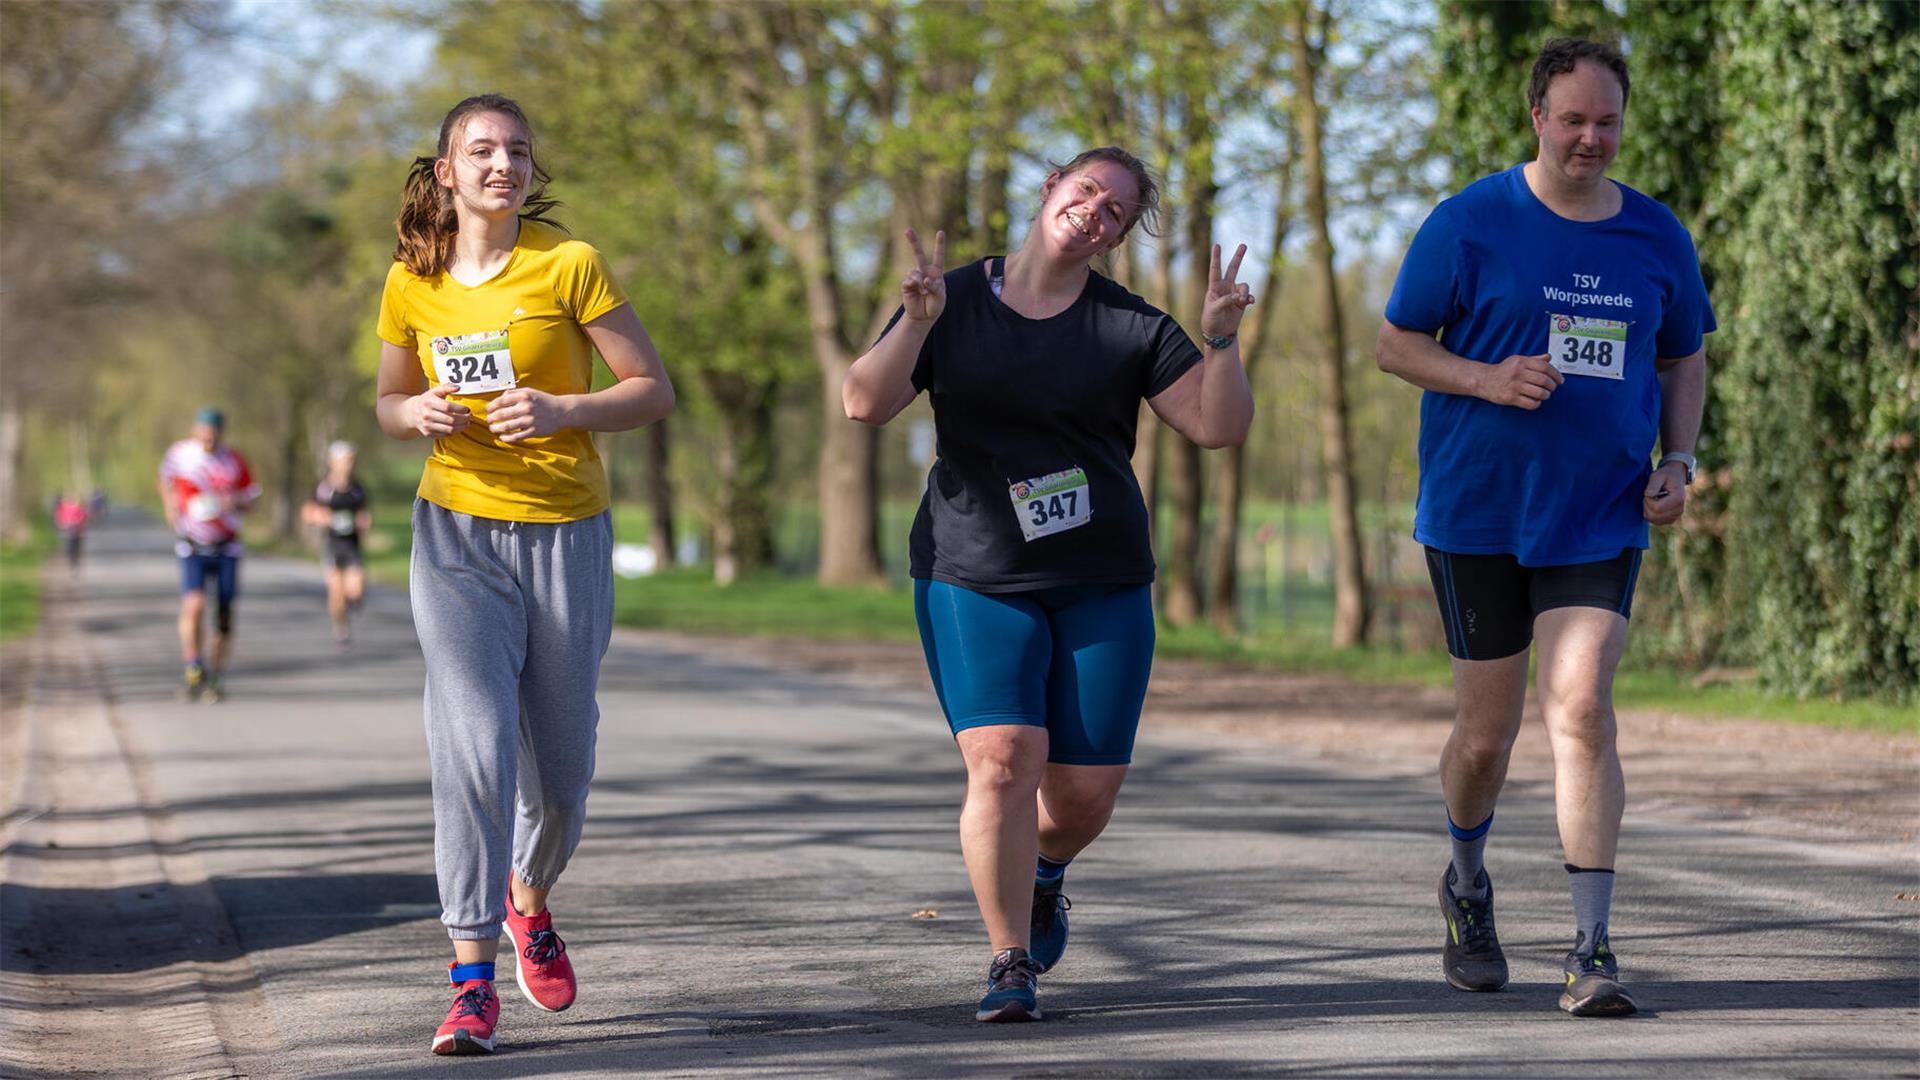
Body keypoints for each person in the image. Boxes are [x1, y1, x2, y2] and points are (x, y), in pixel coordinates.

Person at [842, 147, 1255, 1022]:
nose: (1094, 212)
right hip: (974, 570)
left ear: (1117, 235)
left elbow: (1217, 426)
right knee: (1002, 762)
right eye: (1086, 192)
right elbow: (863, 403)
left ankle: (1045, 871)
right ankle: (1008, 961)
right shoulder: (947, 300)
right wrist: (914, 324)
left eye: (1115, 211)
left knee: (1079, 797)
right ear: (1050, 191)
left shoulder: (1131, 327)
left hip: (1100, 576)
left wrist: (1220, 338)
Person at [1376, 38, 1713, 1018]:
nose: (1590, 139)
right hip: (1478, 510)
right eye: (1572, 120)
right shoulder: (1470, 221)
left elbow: (1684, 356)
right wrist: (1488, 378)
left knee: (1580, 709)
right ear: (1537, 117)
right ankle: (1468, 884)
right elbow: (1395, 345)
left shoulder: (1656, 236)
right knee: (1485, 742)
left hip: (1600, 510)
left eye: (1607, 122)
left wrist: (1679, 460)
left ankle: (1592, 949)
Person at [374, 93, 675, 1056]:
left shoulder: (571, 266)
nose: (502, 163)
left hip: (565, 536)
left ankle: (527, 901)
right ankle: (470, 982)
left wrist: (560, 411)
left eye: (516, 149)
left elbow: (649, 392)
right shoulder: (409, 283)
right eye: (482, 149)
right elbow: (387, 399)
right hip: (454, 533)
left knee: (564, 772)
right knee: (473, 746)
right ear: (447, 170)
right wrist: (413, 413)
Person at [157, 408, 259, 704]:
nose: (209, 438)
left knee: (223, 616)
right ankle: (193, 665)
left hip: (227, 545)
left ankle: (216, 675)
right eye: (204, 432)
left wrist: (235, 501)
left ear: (221, 433)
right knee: (194, 605)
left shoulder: (234, 460)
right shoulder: (180, 454)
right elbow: (164, 480)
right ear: (194, 430)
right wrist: (169, 505)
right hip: (192, 544)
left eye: (214, 433)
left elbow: (252, 500)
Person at [302, 440, 371, 647]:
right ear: (333, 463)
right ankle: (341, 628)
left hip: (352, 546)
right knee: (336, 594)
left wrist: (364, 522)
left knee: (356, 592)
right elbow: (307, 512)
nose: (347, 465)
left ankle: (353, 603)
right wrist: (320, 517)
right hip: (332, 546)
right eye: (343, 461)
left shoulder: (358, 489)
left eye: (350, 461)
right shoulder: (324, 488)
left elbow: (364, 514)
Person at [53, 492, 89, 572]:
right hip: (68, 531)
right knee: (69, 547)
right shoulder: (63, 508)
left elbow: (84, 517)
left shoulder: (79, 508)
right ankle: (71, 560)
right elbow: (59, 518)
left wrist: (79, 523)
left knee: (77, 546)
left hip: (77, 531)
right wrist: (63, 524)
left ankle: (76, 560)